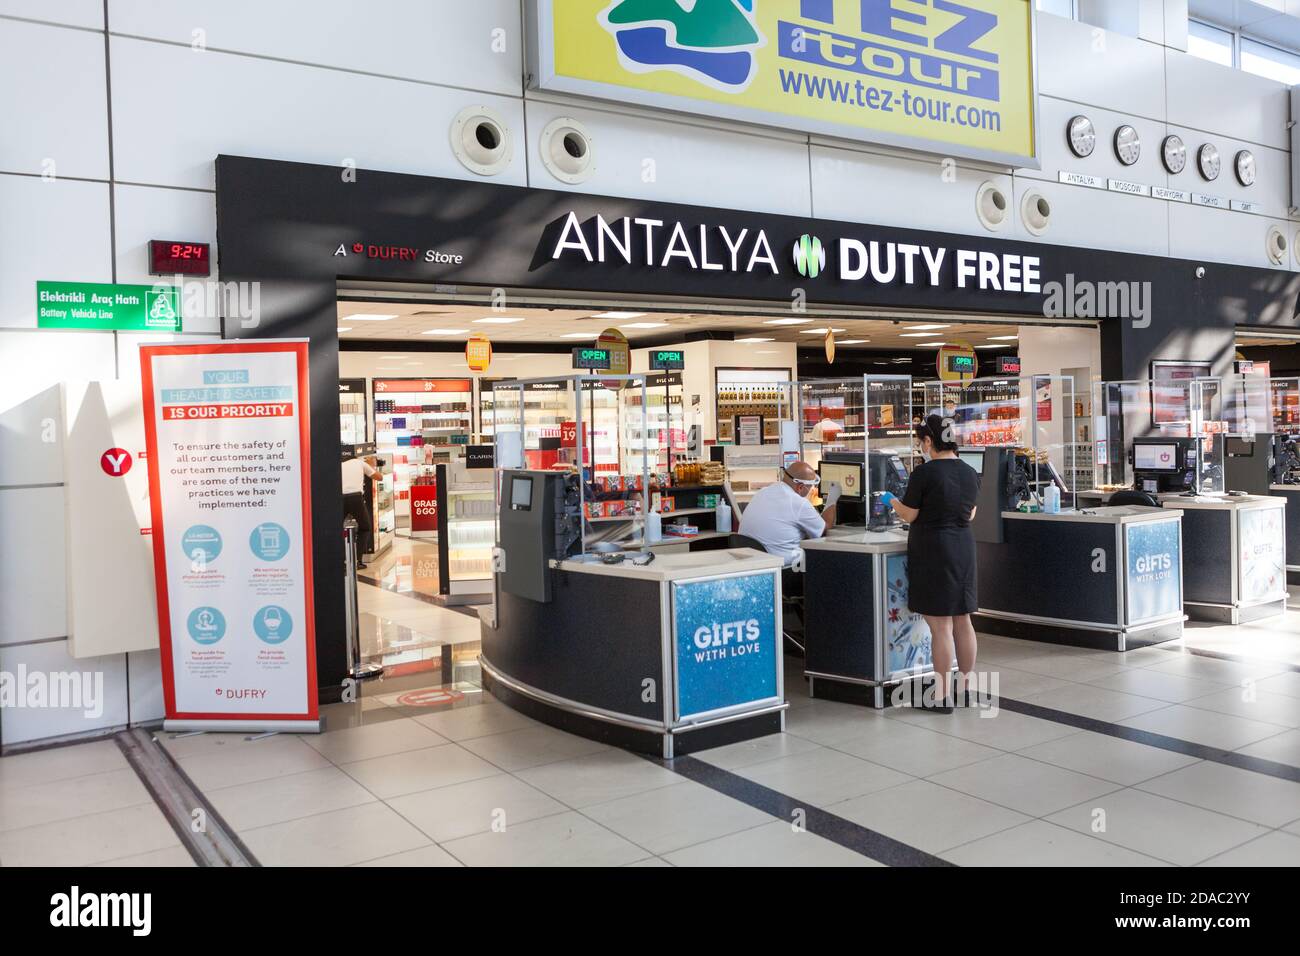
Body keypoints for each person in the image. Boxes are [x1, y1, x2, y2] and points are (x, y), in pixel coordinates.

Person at [881, 415, 979, 713]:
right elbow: (970, 514)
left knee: (941, 627)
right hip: (963, 547)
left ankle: (941, 696)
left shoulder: (925, 473)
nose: (920, 446)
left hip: (934, 550)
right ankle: (964, 689)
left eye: (920, 441)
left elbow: (909, 515)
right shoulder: (969, 471)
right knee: (963, 620)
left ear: (928, 442)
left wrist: (890, 501)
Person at [738, 461, 839, 597]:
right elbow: (824, 528)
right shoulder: (797, 502)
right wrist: (832, 498)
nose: (811, 491)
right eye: (810, 488)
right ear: (800, 487)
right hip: (786, 573)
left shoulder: (763, 492)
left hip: (756, 570)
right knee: (831, 561)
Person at [341, 454, 381, 568]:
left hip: (340, 499)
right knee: (365, 528)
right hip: (356, 498)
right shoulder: (360, 463)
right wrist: (371, 465)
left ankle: (342, 562)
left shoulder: (339, 465)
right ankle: (357, 561)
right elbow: (379, 477)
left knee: (336, 530)